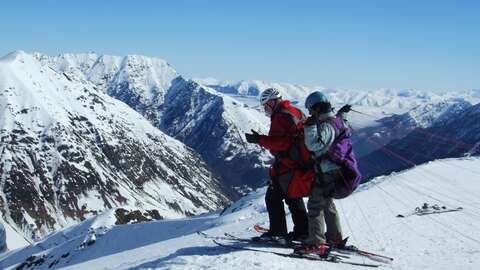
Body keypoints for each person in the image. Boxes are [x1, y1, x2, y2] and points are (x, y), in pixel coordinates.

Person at [296, 91, 361, 256]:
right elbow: (342, 120)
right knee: (328, 204)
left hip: (327, 171)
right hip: (337, 169)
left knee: (315, 205)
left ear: (318, 108)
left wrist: (309, 126)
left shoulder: (326, 125)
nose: (310, 113)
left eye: (311, 109)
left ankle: (316, 242)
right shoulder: (338, 121)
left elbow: (314, 145)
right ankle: (334, 237)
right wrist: (343, 112)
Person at [244, 88, 309, 242]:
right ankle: (303, 231)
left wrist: (259, 139)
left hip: (288, 164)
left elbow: (281, 143)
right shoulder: (295, 111)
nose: (265, 109)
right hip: (300, 162)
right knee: (294, 197)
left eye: (266, 105)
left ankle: (278, 232)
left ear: (273, 102)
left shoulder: (280, 116)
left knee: (273, 197)